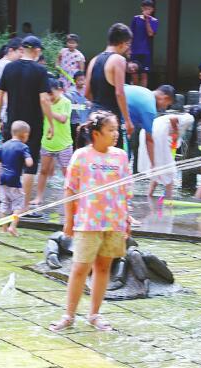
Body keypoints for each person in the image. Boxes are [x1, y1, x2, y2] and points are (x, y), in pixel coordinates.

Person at [50, 111, 131, 332]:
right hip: (87, 223)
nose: (115, 134)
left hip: (113, 221)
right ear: (96, 133)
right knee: (80, 268)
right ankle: (68, 315)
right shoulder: (81, 156)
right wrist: (68, 220)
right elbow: (70, 189)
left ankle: (94, 314)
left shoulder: (121, 157)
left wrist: (127, 218)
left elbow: (125, 191)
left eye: (117, 130)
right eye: (110, 130)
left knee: (103, 268)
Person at [0, 36, 54, 217]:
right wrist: (51, 123)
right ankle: (24, 207)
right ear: (36, 50)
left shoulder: (9, 67)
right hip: (32, 125)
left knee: (6, 160)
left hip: (11, 122)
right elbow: (44, 99)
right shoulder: (40, 71)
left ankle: (4, 199)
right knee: (30, 165)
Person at [86, 23, 135, 151]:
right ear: (123, 43)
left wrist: (98, 106)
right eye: (128, 44)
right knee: (111, 163)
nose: (127, 48)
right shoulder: (118, 60)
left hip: (93, 117)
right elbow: (119, 93)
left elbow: (86, 93)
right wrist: (128, 121)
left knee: (94, 160)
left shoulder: (94, 60)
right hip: (110, 120)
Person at [0, 37, 23, 198]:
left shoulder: (1, 64)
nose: (22, 55)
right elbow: (4, 95)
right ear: (11, 51)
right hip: (0, 115)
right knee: (0, 153)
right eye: (20, 51)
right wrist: (3, 118)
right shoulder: (6, 66)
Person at [32, 79, 73, 205]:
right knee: (43, 171)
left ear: (59, 90)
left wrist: (48, 110)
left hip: (64, 144)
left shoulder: (66, 102)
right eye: (47, 94)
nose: (50, 96)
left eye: (52, 93)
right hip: (48, 142)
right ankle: (38, 197)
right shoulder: (44, 102)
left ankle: (71, 199)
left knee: (68, 173)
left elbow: (63, 119)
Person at [0, 121, 34, 236]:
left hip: (3, 178)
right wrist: (29, 161)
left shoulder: (4, 145)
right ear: (25, 134)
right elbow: (29, 162)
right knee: (18, 203)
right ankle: (12, 227)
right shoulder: (23, 147)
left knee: (5, 203)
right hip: (14, 179)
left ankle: (3, 228)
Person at [125, 84, 176, 170]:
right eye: (167, 105)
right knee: (122, 159)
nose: (164, 108)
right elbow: (149, 139)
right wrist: (153, 164)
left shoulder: (144, 91)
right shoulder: (150, 109)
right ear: (165, 98)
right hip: (115, 122)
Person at [129, 0, 158, 87]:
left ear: (152, 10)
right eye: (145, 9)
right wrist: (129, 49)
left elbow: (150, 33)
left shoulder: (154, 21)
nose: (147, 11)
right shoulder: (135, 19)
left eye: (149, 9)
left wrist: (147, 21)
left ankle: (143, 92)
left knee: (144, 74)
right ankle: (135, 90)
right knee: (134, 73)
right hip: (134, 50)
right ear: (142, 8)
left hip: (146, 51)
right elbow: (131, 34)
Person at [66, 71, 90, 149]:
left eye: (83, 79)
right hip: (74, 121)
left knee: (86, 141)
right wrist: (81, 106)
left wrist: (89, 104)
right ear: (75, 81)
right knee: (74, 141)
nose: (82, 82)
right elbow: (68, 106)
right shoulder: (70, 92)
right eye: (79, 80)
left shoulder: (88, 90)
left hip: (85, 121)